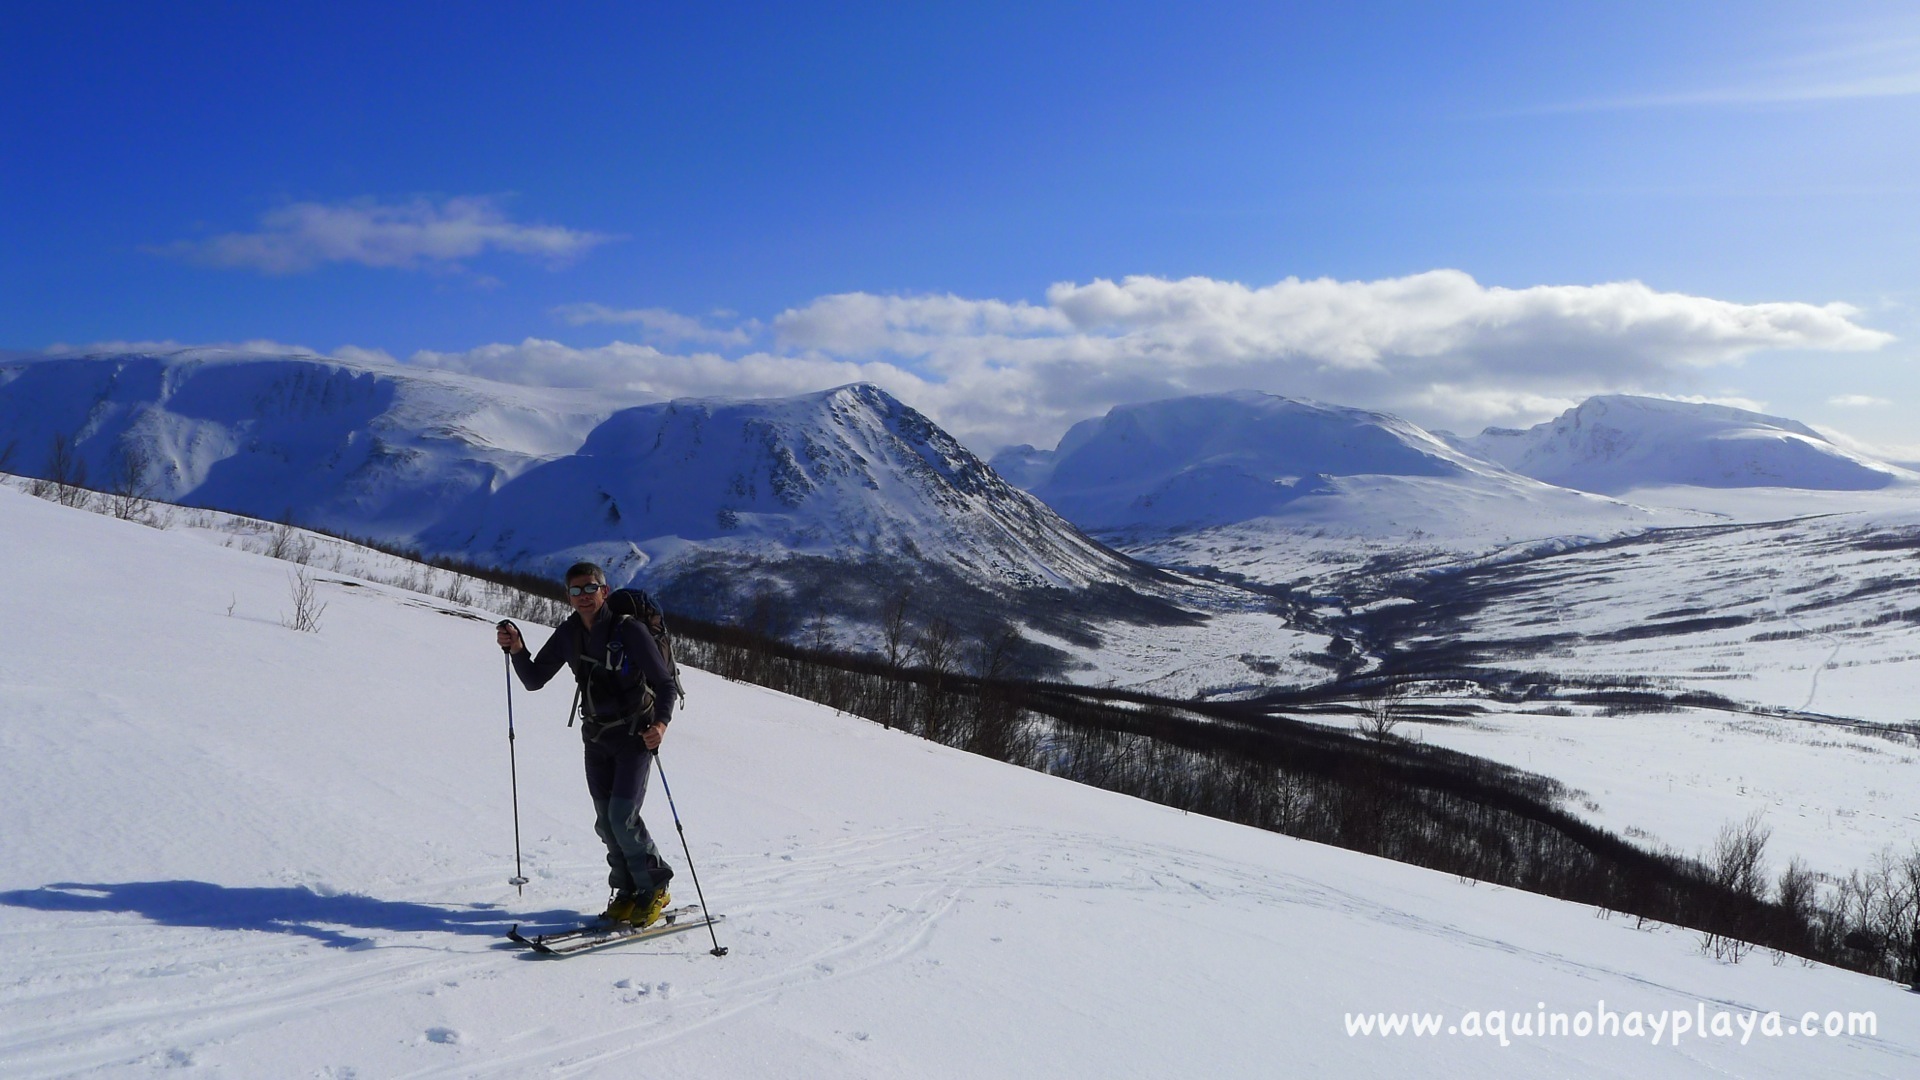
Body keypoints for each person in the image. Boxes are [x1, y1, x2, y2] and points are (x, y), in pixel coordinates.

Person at [495, 562, 679, 928]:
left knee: (622, 818)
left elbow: (665, 683)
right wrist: (517, 649)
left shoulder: (630, 631)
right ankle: (627, 891)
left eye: (590, 588)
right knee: (606, 824)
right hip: (595, 738)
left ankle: (655, 887)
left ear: (604, 591)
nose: (583, 596)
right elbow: (533, 679)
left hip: (633, 736)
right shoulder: (568, 633)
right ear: (568, 596)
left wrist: (660, 724)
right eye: (576, 590)